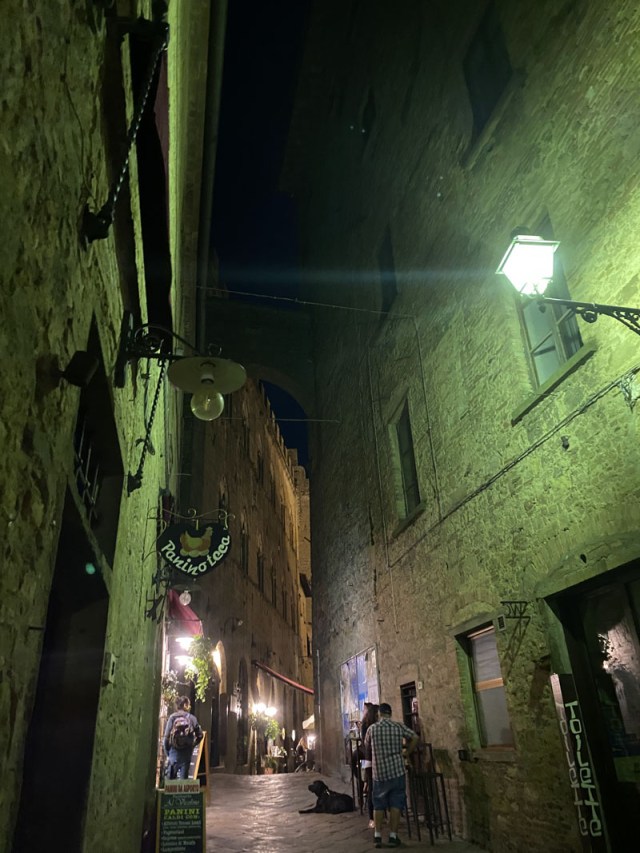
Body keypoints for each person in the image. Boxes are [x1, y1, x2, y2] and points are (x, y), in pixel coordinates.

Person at [364, 701, 419, 849]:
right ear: (390, 713)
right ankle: (393, 836)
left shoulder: (372, 729)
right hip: (397, 771)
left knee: (378, 804)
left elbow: (367, 746)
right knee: (396, 804)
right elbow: (415, 737)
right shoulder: (398, 726)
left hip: (379, 773)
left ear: (379, 714)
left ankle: (377, 836)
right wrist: (407, 752)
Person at [163, 695, 202, 780]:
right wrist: (192, 745)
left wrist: (168, 753)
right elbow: (200, 735)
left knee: (170, 783)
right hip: (186, 754)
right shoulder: (192, 718)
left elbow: (166, 738)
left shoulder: (172, 717)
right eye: (188, 704)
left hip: (173, 753)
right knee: (183, 783)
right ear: (185, 705)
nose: (189, 706)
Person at [360, 703, 379, 827]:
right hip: (372, 759)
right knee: (373, 788)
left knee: (374, 788)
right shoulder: (370, 727)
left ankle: (374, 818)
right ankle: (373, 817)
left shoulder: (371, 727)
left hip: (371, 760)